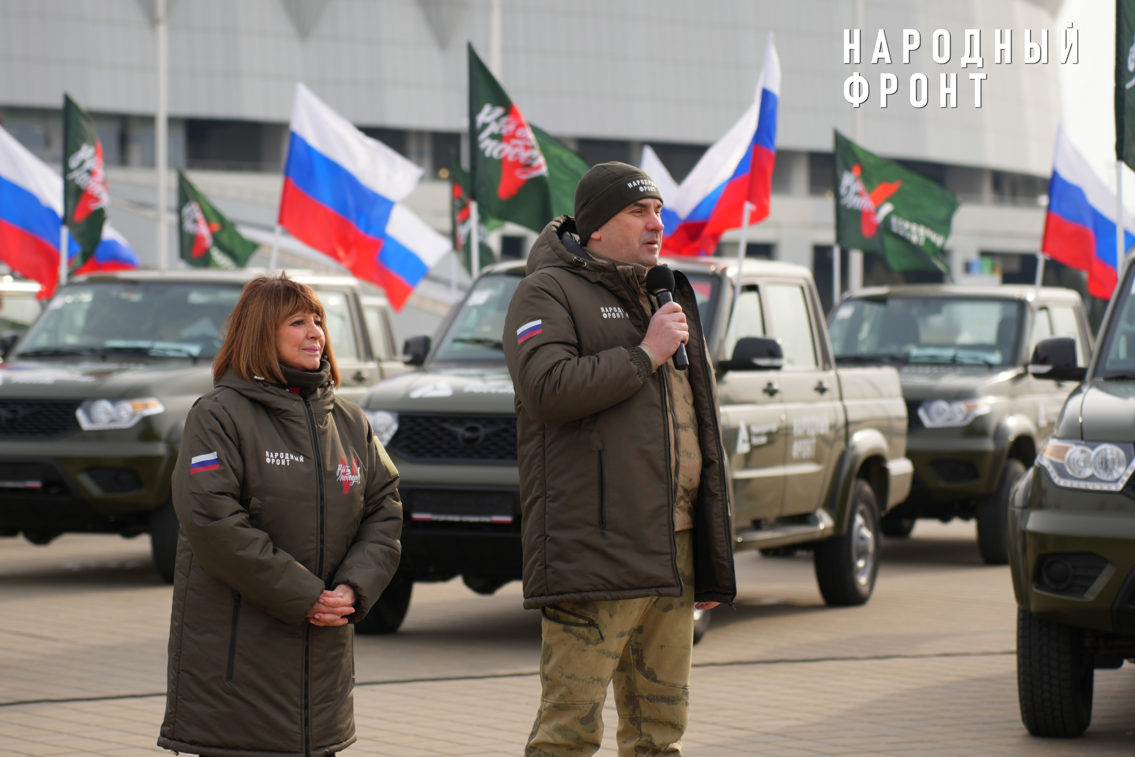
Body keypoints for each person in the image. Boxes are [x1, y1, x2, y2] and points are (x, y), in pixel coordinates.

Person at [503, 163, 737, 756]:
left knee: (660, 732)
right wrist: (646, 353)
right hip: (598, 547)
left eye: (659, 210)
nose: (657, 223)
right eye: (639, 212)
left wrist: (708, 548)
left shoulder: (665, 291)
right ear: (597, 227)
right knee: (568, 732)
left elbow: (696, 429)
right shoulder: (547, 290)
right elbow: (546, 389)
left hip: (673, 546)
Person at [158, 274, 402, 757]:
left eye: (318, 321)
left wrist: (353, 588)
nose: (316, 333)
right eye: (297, 322)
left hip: (323, 682)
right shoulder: (217, 415)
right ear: (259, 332)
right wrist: (305, 596)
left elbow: (384, 507)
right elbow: (211, 520)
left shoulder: (351, 422)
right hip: (237, 681)